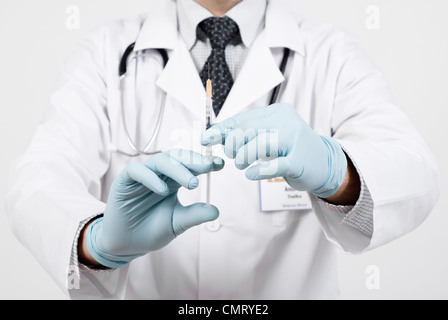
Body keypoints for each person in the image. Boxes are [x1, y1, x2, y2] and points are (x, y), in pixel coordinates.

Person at [6, 0, 440, 299]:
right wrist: (96, 242)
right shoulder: (106, 56)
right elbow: (36, 183)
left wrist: (335, 170)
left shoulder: (331, 55)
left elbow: (415, 172)